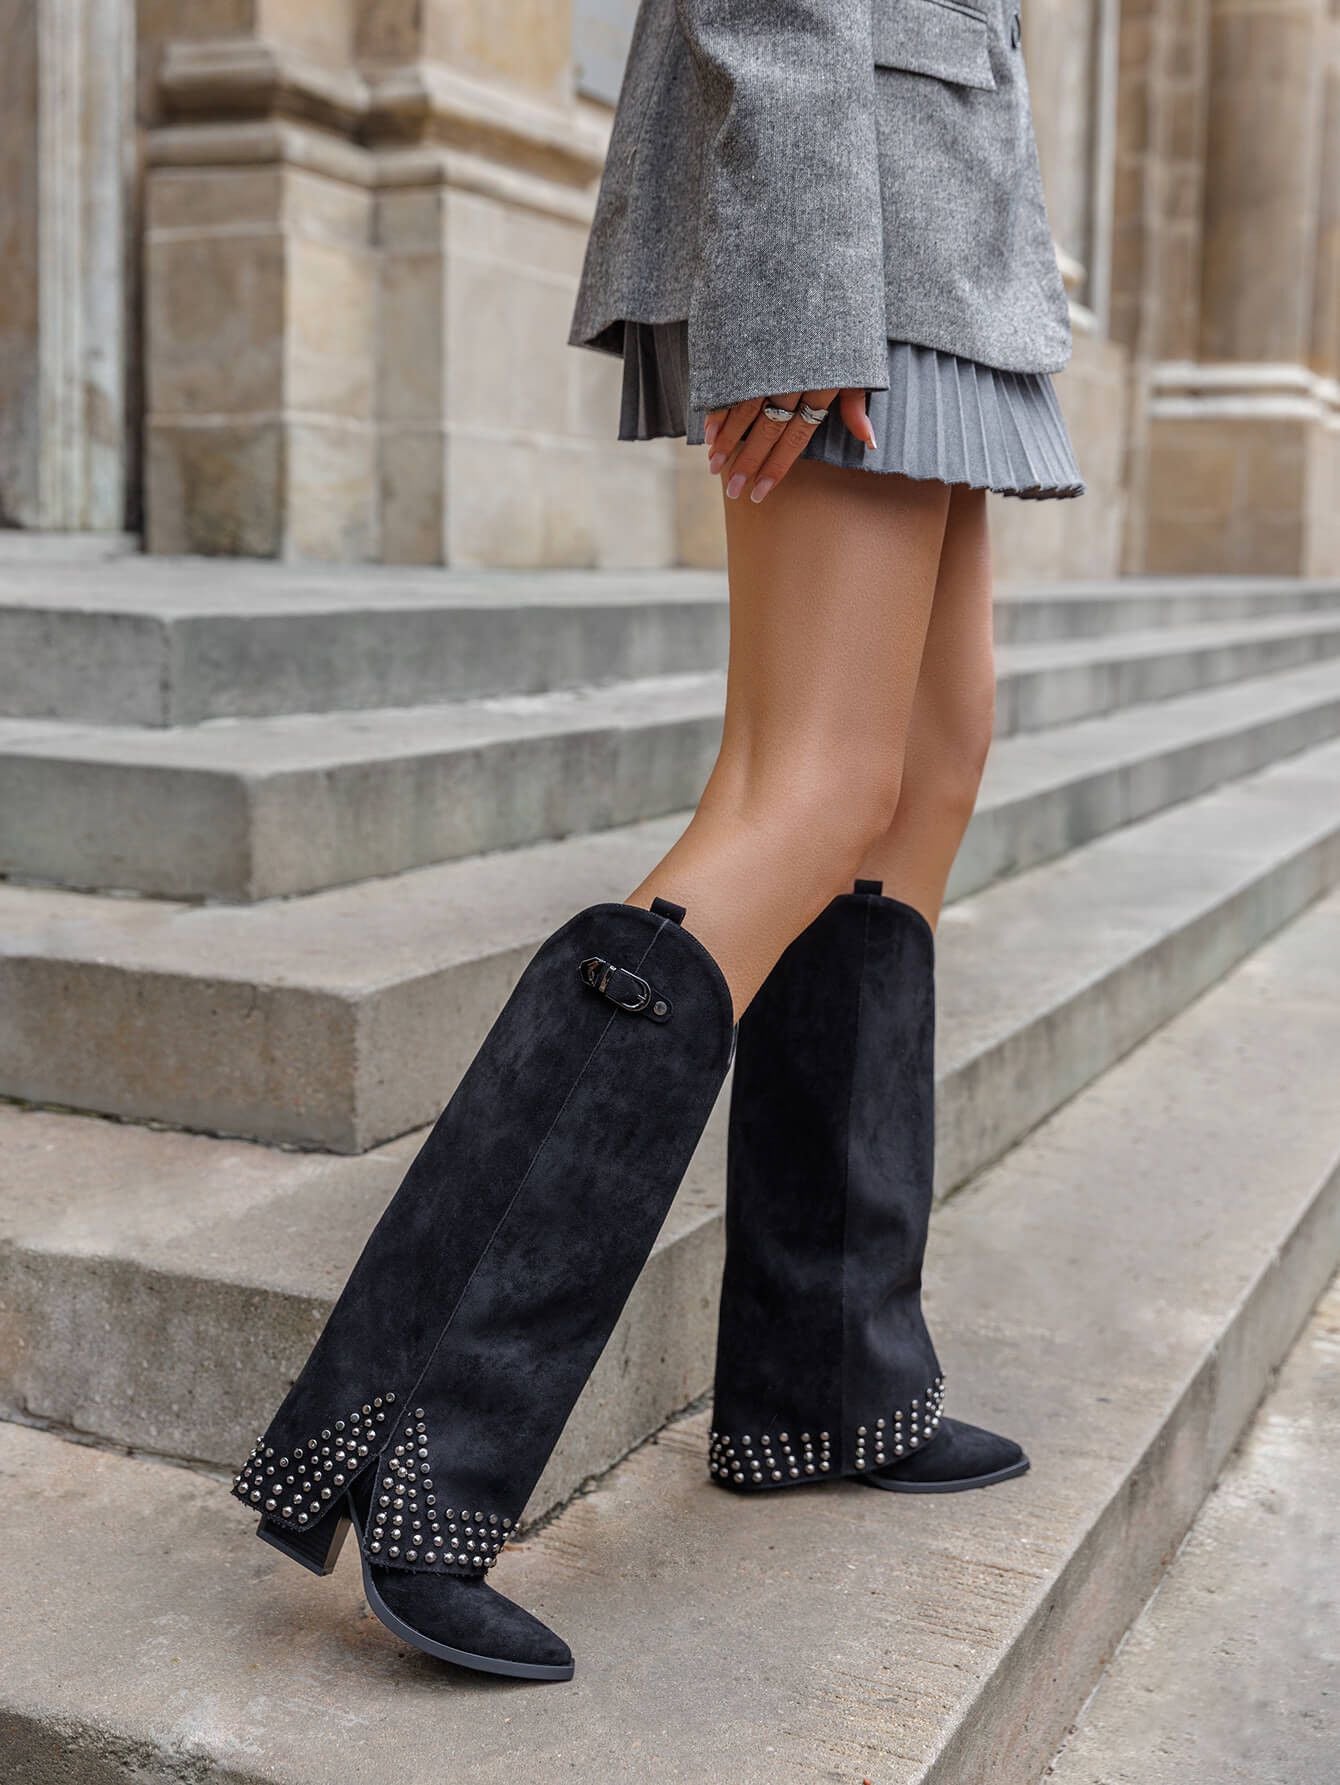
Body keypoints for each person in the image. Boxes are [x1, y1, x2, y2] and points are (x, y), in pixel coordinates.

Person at [229, 0, 1084, 1684]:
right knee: (805, 788)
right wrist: (801, 269)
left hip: (942, 198)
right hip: (848, 198)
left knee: (926, 766)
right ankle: (417, 1438)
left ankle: (828, 1369)